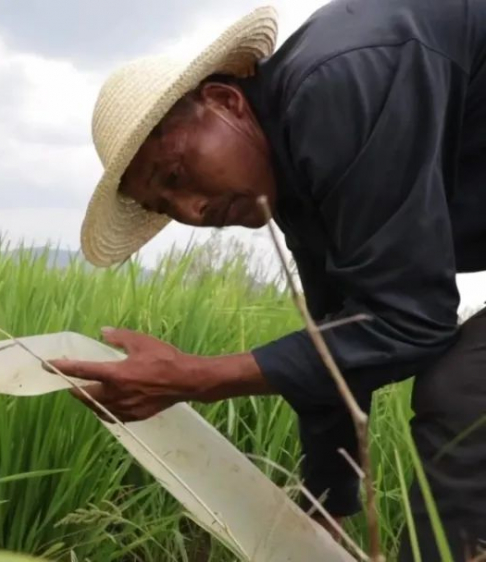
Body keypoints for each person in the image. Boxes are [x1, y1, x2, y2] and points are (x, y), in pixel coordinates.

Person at [47, 1, 486, 560]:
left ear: (225, 100)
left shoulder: (339, 83)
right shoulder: (296, 174)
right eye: (166, 205)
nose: (192, 208)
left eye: (176, 175)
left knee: (464, 394)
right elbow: (340, 335)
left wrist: (197, 377)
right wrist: (326, 502)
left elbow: (411, 321)